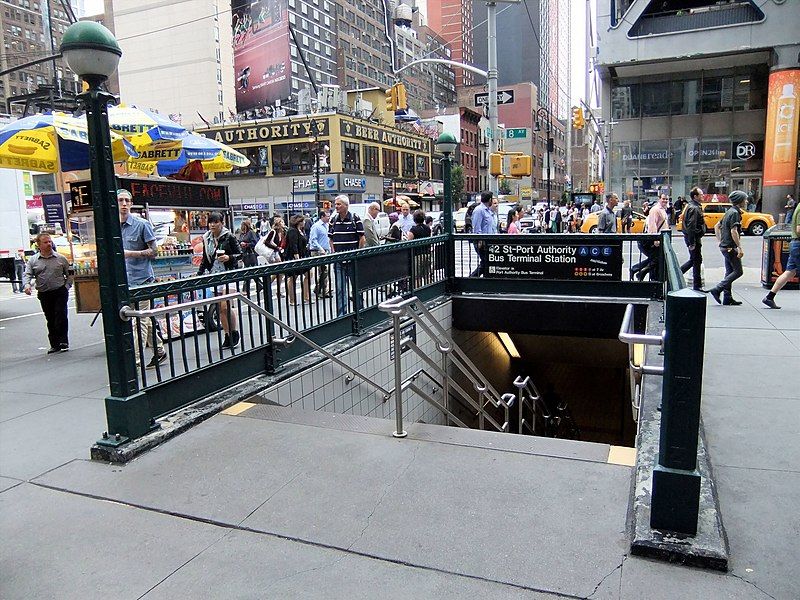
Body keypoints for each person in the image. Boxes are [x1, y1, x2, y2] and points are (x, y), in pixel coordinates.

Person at [118, 189, 166, 368]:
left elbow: (154, 251)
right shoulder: (112, 226)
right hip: (124, 281)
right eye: (120, 200)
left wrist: (131, 253)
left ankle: (135, 361)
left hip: (142, 280)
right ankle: (160, 350)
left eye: (127, 201)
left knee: (138, 322)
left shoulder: (142, 224)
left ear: (131, 204)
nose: (124, 204)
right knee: (143, 319)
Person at [197, 211, 242, 348]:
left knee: (225, 305)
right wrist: (199, 274)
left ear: (222, 223)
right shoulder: (207, 238)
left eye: (216, 222)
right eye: (211, 222)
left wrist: (229, 257)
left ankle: (233, 332)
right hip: (215, 275)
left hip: (229, 274)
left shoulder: (229, 237)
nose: (212, 224)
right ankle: (228, 335)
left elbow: (240, 254)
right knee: (220, 308)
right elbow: (205, 258)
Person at [23, 233, 72, 354]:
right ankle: (54, 344)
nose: (49, 244)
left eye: (50, 241)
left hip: (59, 291)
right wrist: (27, 285)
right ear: (39, 245)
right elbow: (27, 274)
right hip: (44, 293)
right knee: (50, 318)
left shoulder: (60, 258)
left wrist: (67, 286)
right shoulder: (33, 260)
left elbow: (70, 273)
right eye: (45, 242)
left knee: (60, 315)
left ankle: (63, 341)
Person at [706, 190, 747, 306]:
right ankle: (717, 289)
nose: (747, 201)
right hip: (730, 247)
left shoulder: (729, 211)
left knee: (729, 271)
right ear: (740, 201)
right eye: (745, 199)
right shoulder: (734, 213)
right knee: (738, 271)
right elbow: (734, 231)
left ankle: (727, 297)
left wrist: (720, 241)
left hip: (725, 247)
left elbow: (716, 226)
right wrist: (739, 247)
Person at [328, 194, 365, 316]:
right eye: (336, 204)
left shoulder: (355, 218)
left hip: (352, 260)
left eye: (339, 204)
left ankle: (359, 313)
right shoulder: (333, 220)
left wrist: (357, 253)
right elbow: (331, 238)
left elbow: (361, 237)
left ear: (346, 205)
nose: (336, 206)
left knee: (356, 288)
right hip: (339, 260)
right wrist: (333, 252)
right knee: (340, 289)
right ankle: (342, 316)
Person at [763, 198, 799, 309]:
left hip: (795, 244)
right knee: (789, 272)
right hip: (798, 244)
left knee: (790, 272)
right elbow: (799, 229)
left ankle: (769, 297)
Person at [680, 186, 705, 290]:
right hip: (693, 238)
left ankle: (697, 285)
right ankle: (678, 274)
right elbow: (691, 226)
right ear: (695, 196)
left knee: (696, 260)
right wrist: (692, 242)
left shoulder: (692, 206)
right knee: (696, 260)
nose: (703, 196)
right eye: (701, 195)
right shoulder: (694, 208)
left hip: (693, 238)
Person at [284, 214, 311, 305]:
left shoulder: (300, 230)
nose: (304, 223)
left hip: (302, 256)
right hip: (294, 257)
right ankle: (292, 300)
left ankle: (306, 297)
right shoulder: (292, 231)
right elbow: (293, 245)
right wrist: (297, 258)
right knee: (293, 278)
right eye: (302, 221)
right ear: (298, 222)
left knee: (309, 274)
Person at [469, 191, 494, 277]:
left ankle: (484, 285)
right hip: (482, 242)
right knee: (485, 262)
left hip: (488, 242)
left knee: (486, 263)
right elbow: (476, 227)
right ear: (489, 199)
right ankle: (471, 280)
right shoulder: (479, 210)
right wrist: (480, 239)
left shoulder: (488, 211)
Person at [308, 209, 331, 298]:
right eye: (327, 216)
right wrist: (321, 249)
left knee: (324, 271)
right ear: (322, 217)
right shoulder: (316, 226)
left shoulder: (326, 225)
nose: (329, 218)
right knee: (323, 270)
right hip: (317, 251)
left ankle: (320, 289)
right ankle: (322, 290)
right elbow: (313, 240)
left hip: (325, 250)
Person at [407, 210, 431, 286]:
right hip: (427, 253)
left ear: (414, 219)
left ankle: (418, 292)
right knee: (427, 275)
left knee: (417, 277)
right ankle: (429, 289)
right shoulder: (427, 228)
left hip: (417, 255)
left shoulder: (413, 230)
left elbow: (409, 241)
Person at [237, 219, 259, 294]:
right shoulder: (242, 234)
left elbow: (255, 243)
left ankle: (245, 289)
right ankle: (260, 285)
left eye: (243, 226)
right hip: (245, 255)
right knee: (252, 272)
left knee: (248, 271)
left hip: (251, 254)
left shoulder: (251, 233)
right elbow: (239, 241)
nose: (241, 227)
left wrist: (246, 244)